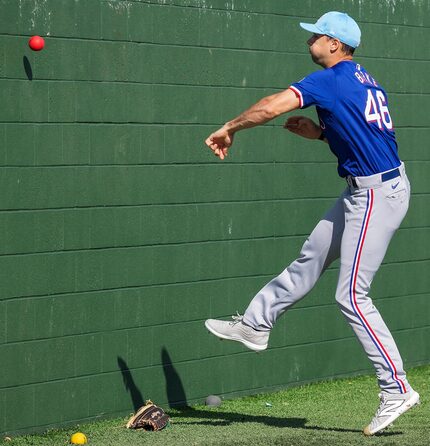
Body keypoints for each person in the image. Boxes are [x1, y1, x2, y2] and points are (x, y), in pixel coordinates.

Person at [203, 11, 420, 436]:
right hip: (366, 189)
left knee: (353, 295)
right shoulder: (362, 78)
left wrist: (230, 127)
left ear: (335, 44)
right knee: (310, 258)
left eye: (316, 37)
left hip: (377, 195)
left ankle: (396, 389)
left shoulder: (330, 79)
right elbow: (367, 135)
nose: (310, 42)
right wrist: (321, 135)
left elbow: (268, 108)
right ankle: (255, 324)